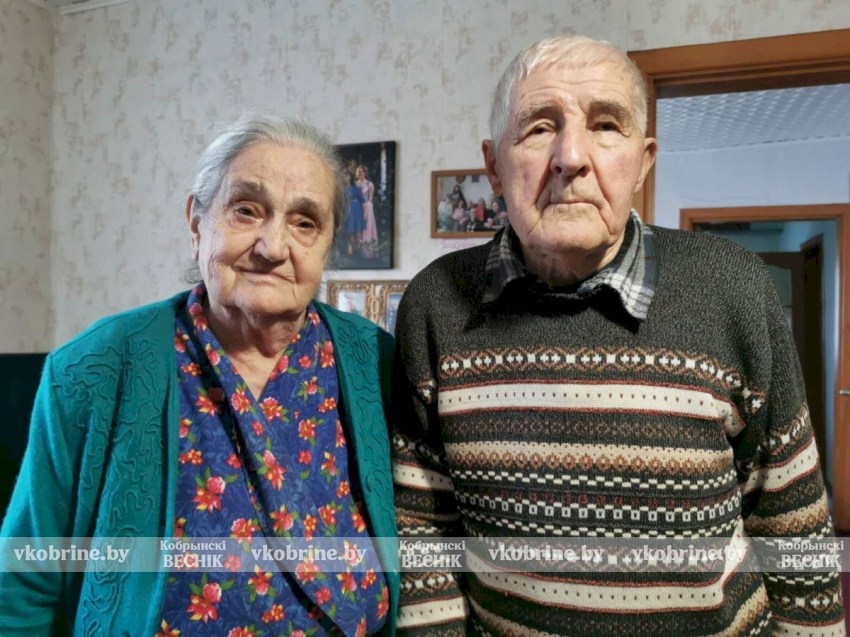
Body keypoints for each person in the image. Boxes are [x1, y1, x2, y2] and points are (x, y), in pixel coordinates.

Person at [392, 35, 845, 636]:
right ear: (493, 167)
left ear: (643, 161)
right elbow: (424, 534)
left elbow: (793, 526)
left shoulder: (733, 286)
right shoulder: (433, 305)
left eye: (606, 125)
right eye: (537, 129)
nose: (570, 156)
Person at [0, 115, 398, 636]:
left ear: (327, 246)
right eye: (247, 211)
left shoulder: (375, 361)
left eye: (304, 222)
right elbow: (25, 579)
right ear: (197, 223)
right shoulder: (94, 368)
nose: (273, 246)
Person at [357, 164, 378, 253]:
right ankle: (358, 249)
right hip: (358, 207)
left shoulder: (369, 184)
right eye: (359, 171)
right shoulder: (355, 184)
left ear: (365, 173)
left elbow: (370, 198)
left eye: (362, 171)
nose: (361, 173)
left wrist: (367, 210)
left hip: (367, 207)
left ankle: (368, 249)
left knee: (367, 227)